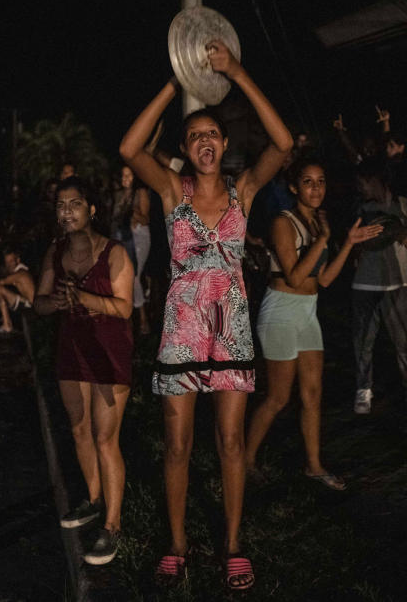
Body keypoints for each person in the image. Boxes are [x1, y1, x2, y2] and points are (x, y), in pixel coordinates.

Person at [120, 40, 292, 591]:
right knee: (176, 444)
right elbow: (128, 149)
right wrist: (176, 80)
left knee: (232, 442)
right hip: (182, 333)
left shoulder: (244, 190)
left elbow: (283, 143)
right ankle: (176, 545)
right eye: (194, 136)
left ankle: (233, 544)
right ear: (186, 147)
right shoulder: (173, 192)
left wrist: (237, 72)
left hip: (232, 332)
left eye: (212, 134)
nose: (205, 143)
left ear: (224, 142)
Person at [245, 159, 383, 490]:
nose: (316, 188)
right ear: (294, 187)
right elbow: (293, 276)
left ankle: (314, 466)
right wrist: (323, 239)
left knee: (312, 394)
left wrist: (347, 242)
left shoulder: (319, 221)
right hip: (280, 309)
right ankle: (244, 458)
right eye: (308, 182)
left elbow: (322, 280)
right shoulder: (283, 222)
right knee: (278, 397)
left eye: (320, 182)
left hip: (308, 310)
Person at [33, 177, 134, 566]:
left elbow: (124, 308)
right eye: (61, 205)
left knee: (105, 437)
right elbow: (38, 304)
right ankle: (93, 500)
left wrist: (85, 297)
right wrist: (56, 302)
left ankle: (113, 525)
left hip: (108, 352)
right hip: (71, 349)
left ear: (91, 209)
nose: (67, 211)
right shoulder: (55, 252)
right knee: (79, 429)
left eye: (75, 203)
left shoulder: (114, 252)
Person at [350, 160, 407, 414]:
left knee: (405, 340)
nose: (360, 187)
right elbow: (350, 248)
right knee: (363, 340)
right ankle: (363, 390)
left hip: (399, 282)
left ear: (377, 180)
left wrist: (402, 234)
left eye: (364, 182)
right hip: (365, 283)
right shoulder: (358, 209)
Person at [111, 164, 153, 334]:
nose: (125, 179)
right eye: (123, 175)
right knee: (124, 276)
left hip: (139, 237)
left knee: (134, 275)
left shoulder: (140, 193)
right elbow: (114, 219)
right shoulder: (118, 195)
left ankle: (142, 318)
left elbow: (145, 219)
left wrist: (133, 213)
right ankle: (128, 319)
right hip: (121, 237)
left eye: (129, 175)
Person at [0, 246, 36, 334]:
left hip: (31, 306)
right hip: (28, 303)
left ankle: (7, 325)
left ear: (18, 260)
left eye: (11, 261)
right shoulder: (21, 270)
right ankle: (3, 320)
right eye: (7, 262)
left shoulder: (20, 274)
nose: (9, 265)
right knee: (2, 293)